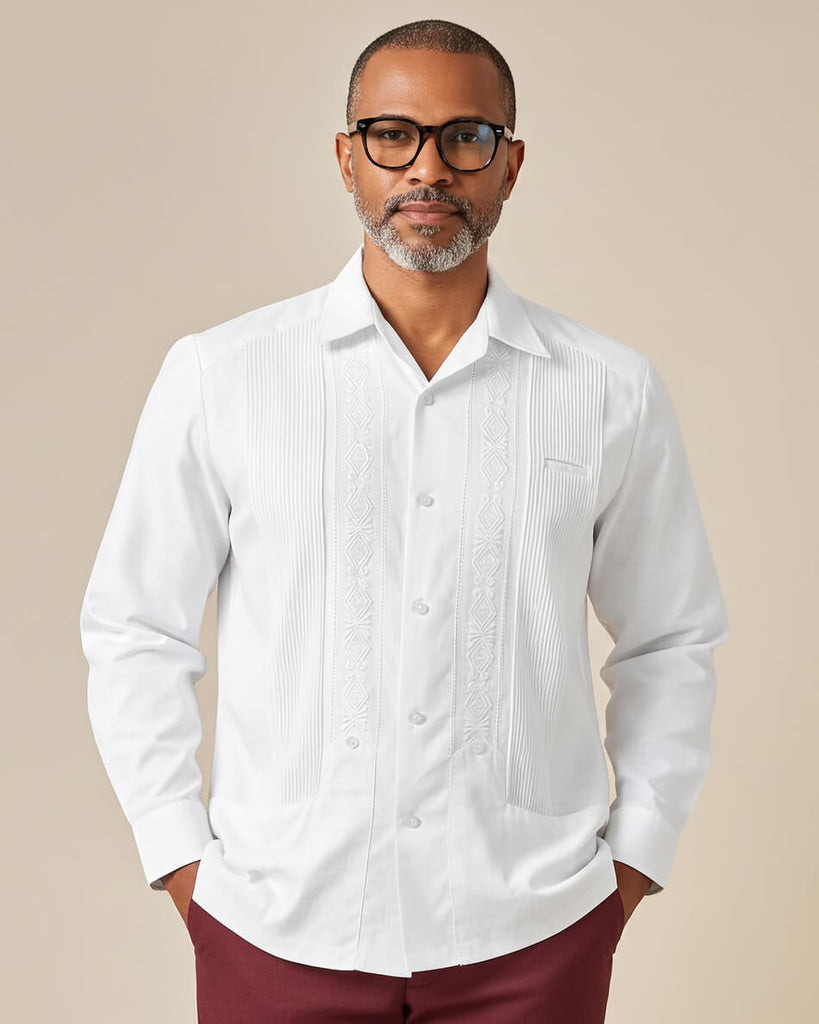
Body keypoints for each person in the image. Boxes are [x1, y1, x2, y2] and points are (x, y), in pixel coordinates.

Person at [80, 17, 730, 1024]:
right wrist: (181, 862)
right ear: (348, 158)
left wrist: (632, 862)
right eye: (393, 135)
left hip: (530, 931)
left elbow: (672, 638)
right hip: (277, 927)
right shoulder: (222, 376)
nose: (428, 168)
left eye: (466, 136)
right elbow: (135, 628)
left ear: (511, 164)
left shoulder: (608, 391)